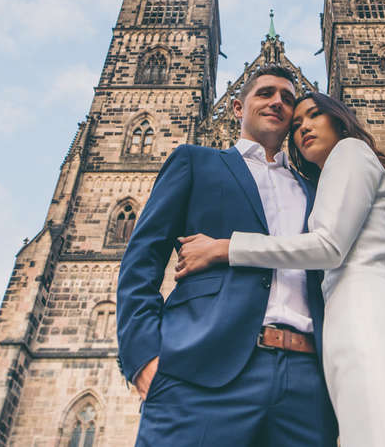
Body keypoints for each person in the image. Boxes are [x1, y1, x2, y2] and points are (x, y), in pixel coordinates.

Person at [176, 91, 385, 447]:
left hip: (367, 326)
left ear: (338, 118)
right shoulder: (327, 179)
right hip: (346, 331)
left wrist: (226, 247)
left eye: (314, 115)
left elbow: (328, 247)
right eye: (296, 125)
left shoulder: (350, 152)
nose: (303, 128)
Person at [115, 65, 337, 447]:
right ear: (237, 106)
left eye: (287, 98)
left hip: (307, 382)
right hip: (203, 375)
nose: (277, 102)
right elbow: (142, 259)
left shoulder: (316, 188)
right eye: (265, 93)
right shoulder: (195, 161)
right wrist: (143, 358)